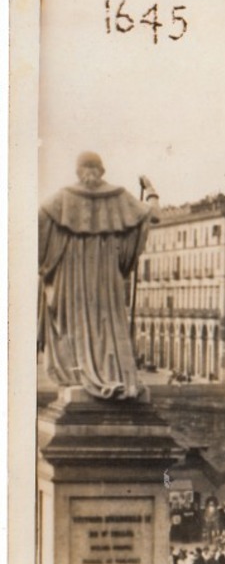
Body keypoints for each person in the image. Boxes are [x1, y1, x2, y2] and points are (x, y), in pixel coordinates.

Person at [38, 152, 159, 400]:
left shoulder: (62, 198)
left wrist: (48, 265)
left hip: (71, 277)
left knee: (74, 323)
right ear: (101, 171)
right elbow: (153, 215)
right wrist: (151, 191)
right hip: (106, 276)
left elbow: (37, 227)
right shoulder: (119, 196)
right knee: (107, 321)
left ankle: (80, 373)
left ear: (78, 170)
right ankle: (111, 373)